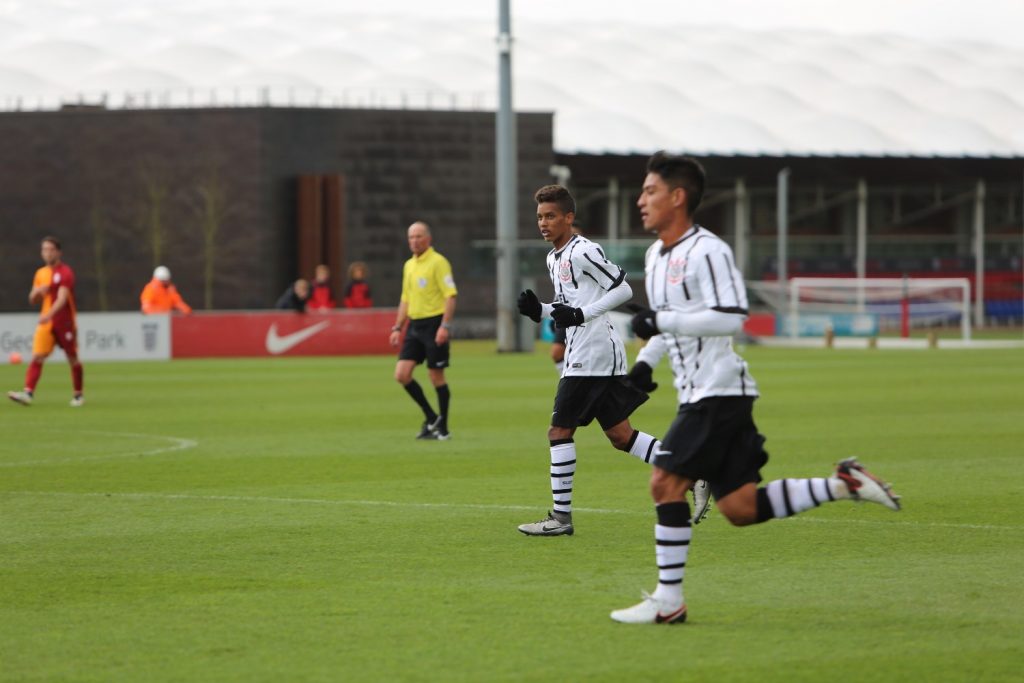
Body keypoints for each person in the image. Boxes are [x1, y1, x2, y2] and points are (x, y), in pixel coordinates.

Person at [611, 152, 902, 625]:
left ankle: (669, 602)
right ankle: (843, 483)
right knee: (741, 508)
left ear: (677, 197)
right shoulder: (654, 255)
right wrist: (645, 364)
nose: (640, 200)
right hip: (702, 393)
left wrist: (660, 320)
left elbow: (732, 315)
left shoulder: (709, 250)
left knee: (663, 481)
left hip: (718, 390)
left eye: (650, 191)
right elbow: (667, 326)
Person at [514, 184, 666, 537]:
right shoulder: (554, 257)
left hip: (593, 352)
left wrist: (581, 314)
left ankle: (560, 519)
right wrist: (541, 310)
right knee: (620, 435)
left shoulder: (584, 250)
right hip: (587, 350)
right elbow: (568, 306)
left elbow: (624, 289)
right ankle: (690, 469)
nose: (544, 222)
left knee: (559, 431)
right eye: (539, 217)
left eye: (551, 216)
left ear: (569, 218)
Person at [390, 222, 457, 440]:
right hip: (414, 326)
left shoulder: (439, 262)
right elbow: (405, 299)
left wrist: (444, 326)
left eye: (418, 236)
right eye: (411, 237)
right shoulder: (409, 265)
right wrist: (398, 327)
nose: (414, 241)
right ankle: (431, 417)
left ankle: (443, 427)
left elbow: (450, 295)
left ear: (428, 238)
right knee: (402, 374)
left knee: (435, 375)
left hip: (434, 324)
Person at [7, 236, 85, 407]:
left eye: (50, 249)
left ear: (58, 252)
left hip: (64, 321)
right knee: (37, 356)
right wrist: (37, 293)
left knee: (73, 358)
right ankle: (28, 393)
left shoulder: (66, 272)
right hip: (46, 322)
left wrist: (49, 314)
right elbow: (32, 299)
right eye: (44, 249)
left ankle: (78, 395)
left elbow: (63, 298)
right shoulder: (40, 273)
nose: (47, 253)